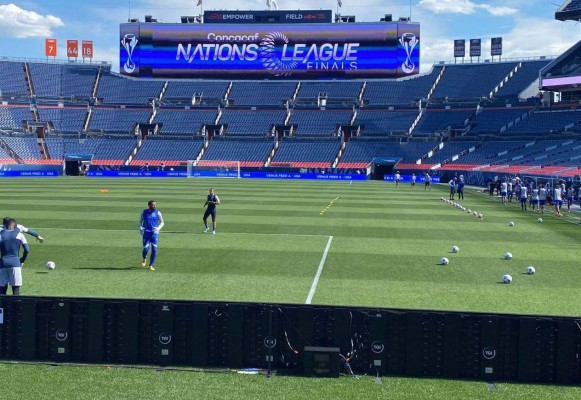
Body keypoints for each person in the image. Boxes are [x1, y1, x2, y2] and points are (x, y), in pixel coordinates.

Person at [0, 218, 29, 296]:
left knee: (2, 289)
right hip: (15, 264)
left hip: (3, 264)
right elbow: (27, 250)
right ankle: (15, 308)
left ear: (5, 226)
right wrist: (22, 260)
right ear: (15, 226)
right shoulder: (20, 235)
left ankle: (2, 307)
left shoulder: (0, 235)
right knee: (15, 289)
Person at [140, 200, 164, 271]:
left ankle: (151, 265)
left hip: (154, 233)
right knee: (145, 249)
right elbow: (140, 221)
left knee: (154, 250)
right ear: (149, 205)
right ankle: (144, 258)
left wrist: (158, 228)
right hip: (146, 233)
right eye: (153, 205)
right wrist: (140, 227)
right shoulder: (144, 212)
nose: (154, 206)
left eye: (155, 205)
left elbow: (162, 222)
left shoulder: (158, 213)